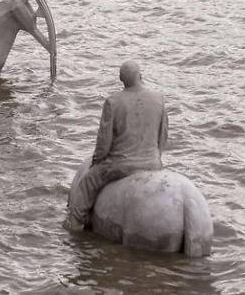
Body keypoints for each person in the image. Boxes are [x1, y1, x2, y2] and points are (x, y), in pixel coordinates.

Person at [64, 60, 168, 231]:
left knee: (88, 182)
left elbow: (104, 143)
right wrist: (155, 158)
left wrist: (96, 162)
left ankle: (74, 223)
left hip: (120, 165)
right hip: (153, 163)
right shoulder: (159, 98)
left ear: (122, 80)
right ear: (140, 76)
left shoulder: (113, 102)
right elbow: (163, 137)